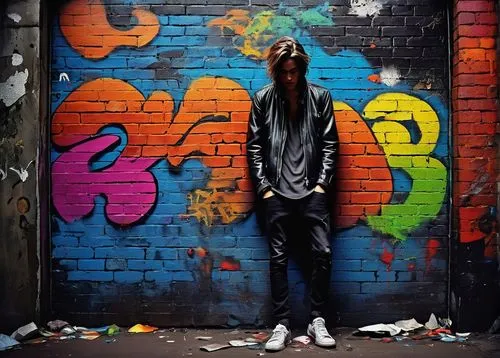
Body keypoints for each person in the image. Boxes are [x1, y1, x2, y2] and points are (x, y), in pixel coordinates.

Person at [246, 36, 339, 351]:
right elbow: (255, 147)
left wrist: (322, 185)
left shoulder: (320, 98)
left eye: (294, 71)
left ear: (301, 69)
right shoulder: (262, 100)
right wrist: (265, 190)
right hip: (277, 192)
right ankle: (282, 324)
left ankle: (317, 320)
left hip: (313, 190)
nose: (289, 78)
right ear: (275, 71)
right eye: (283, 72)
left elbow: (329, 144)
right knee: (278, 259)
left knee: (322, 254)